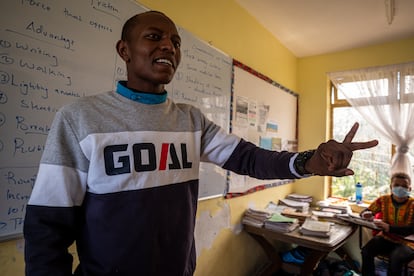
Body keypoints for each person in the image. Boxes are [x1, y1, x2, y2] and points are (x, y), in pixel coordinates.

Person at [23, 10, 378, 276]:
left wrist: (309, 161)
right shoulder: (80, 118)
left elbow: (248, 159)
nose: (169, 46)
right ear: (124, 50)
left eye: (176, 42)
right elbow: (47, 225)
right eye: (154, 37)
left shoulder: (190, 120)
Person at [360, 172, 414, 275]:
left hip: (408, 243)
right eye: (396, 185)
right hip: (386, 238)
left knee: (395, 259)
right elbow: (366, 211)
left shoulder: (413, 204)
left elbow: (412, 229)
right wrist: (367, 214)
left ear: (410, 189)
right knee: (366, 251)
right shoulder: (383, 200)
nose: (400, 188)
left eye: (404, 186)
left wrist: (390, 228)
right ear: (391, 187)